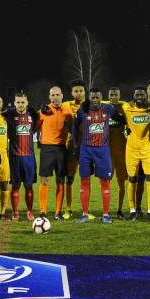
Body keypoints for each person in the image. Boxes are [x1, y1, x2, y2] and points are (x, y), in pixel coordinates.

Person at [73, 88, 115, 223]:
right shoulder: (82, 110)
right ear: (89, 98)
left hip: (103, 149)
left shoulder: (108, 108)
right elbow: (74, 127)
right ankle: (84, 214)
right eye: (92, 97)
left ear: (101, 97)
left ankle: (106, 215)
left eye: (97, 97)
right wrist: (75, 146)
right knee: (85, 180)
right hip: (86, 149)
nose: (95, 100)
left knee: (105, 182)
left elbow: (122, 112)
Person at [36, 86, 72, 219]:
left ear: (62, 96)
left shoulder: (67, 112)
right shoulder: (43, 111)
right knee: (44, 180)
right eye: (53, 95)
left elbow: (72, 128)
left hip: (61, 149)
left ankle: (58, 212)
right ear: (49, 97)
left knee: (60, 180)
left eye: (58, 95)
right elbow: (34, 127)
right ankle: (43, 212)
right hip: (47, 148)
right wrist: (36, 115)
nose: (55, 97)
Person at [123, 87, 150, 221]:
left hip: (147, 150)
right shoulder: (127, 109)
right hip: (131, 151)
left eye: (142, 94)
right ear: (133, 96)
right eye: (137, 94)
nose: (139, 96)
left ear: (146, 96)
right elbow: (113, 102)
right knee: (132, 180)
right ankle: (132, 211)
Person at [5, 90, 39, 221]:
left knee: (29, 185)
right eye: (18, 102)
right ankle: (16, 213)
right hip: (14, 157)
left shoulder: (33, 115)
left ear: (27, 102)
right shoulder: (9, 115)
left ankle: (29, 212)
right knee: (15, 186)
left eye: (22, 102)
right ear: (14, 103)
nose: (20, 104)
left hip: (29, 156)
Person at [63, 79, 86, 219]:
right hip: (71, 146)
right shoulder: (66, 105)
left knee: (86, 178)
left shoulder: (90, 105)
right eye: (76, 91)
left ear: (85, 92)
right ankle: (68, 209)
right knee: (69, 178)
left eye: (81, 91)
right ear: (72, 92)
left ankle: (85, 210)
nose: (78, 93)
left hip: (88, 147)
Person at [105, 87, 129, 218]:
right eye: (111, 94)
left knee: (121, 182)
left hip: (121, 152)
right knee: (106, 181)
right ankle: (106, 210)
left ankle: (119, 210)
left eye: (115, 95)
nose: (113, 97)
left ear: (119, 96)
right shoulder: (104, 108)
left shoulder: (124, 108)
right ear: (108, 96)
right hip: (106, 153)